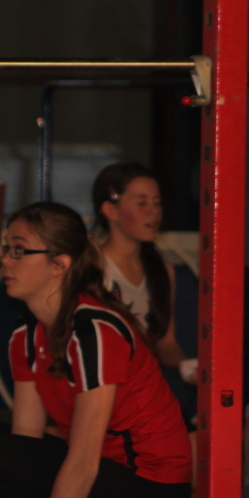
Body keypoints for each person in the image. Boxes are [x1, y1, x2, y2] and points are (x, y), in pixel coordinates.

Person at [0, 202, 191, 498]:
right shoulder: (27, 333)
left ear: (59, 264)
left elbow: (84, 462)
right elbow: (26, 439)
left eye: (18, 250)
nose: (6, 260)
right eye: (6, 249)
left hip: (149, 482)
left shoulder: (95, 331)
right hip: (100, 467)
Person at [91, 163, 197, 384]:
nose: (153, 211)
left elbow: (166, 344)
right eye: (141, 203)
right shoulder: (92, 267)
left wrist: (188, 367)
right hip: (101, 383)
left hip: (143, 389)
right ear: (110, 210)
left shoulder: (162, 270)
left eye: (157, 203)